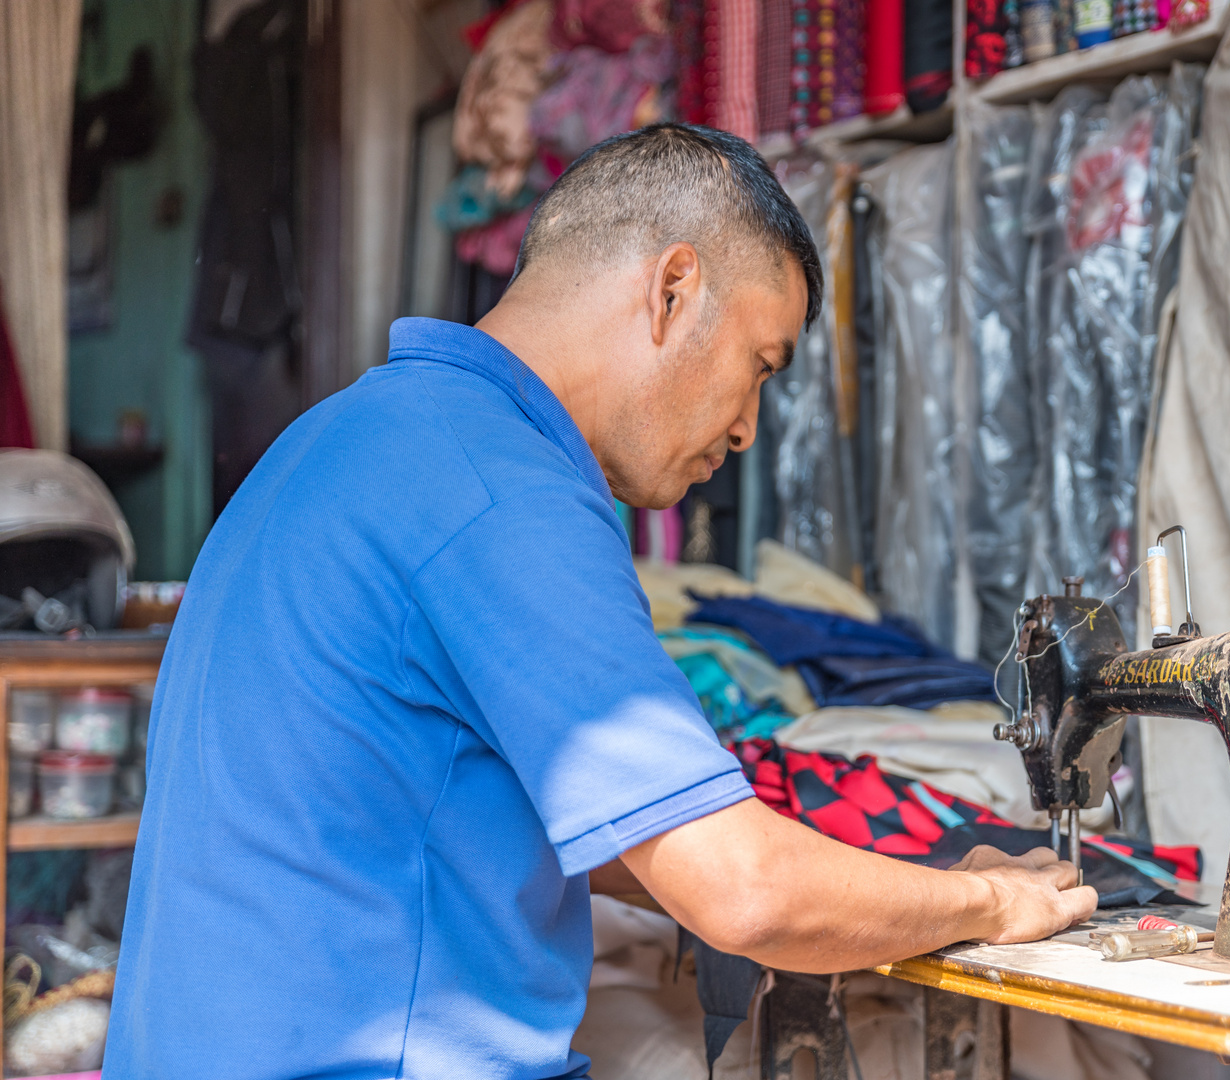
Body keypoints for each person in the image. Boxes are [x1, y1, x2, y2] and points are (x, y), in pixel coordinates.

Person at [104, 124, 1095, 1079]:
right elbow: (742, 893)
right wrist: (984, 901)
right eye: (758, 367)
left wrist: (859, 878)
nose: (748, 428)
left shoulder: (343, 438)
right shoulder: (502, 492)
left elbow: (547, 825)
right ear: (672, 289)